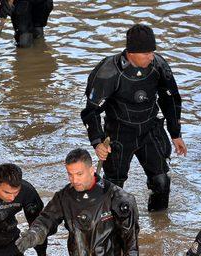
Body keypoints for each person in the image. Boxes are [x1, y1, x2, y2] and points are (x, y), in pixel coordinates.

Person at [15, 148, 140, 256]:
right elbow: (45, 221)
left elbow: (131, 241)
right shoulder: (64, 197)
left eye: (79, 174)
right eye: (70, 175)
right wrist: (31, 236)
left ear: (92, 170)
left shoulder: (119, 198)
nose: (74, 180)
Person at [80, 23, 187, 212]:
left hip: (150, 129)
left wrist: (175, 133)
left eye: (152, 52)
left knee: (161, 181)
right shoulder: (109, 72)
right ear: (131, 52)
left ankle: (159, 227)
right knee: (115, 188)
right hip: (120, 133)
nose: (151, 57)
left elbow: (170, 98)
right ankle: (113, 229)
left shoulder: (158, 66)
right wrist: (97, 142)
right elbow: (91, 111)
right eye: (146, 53)